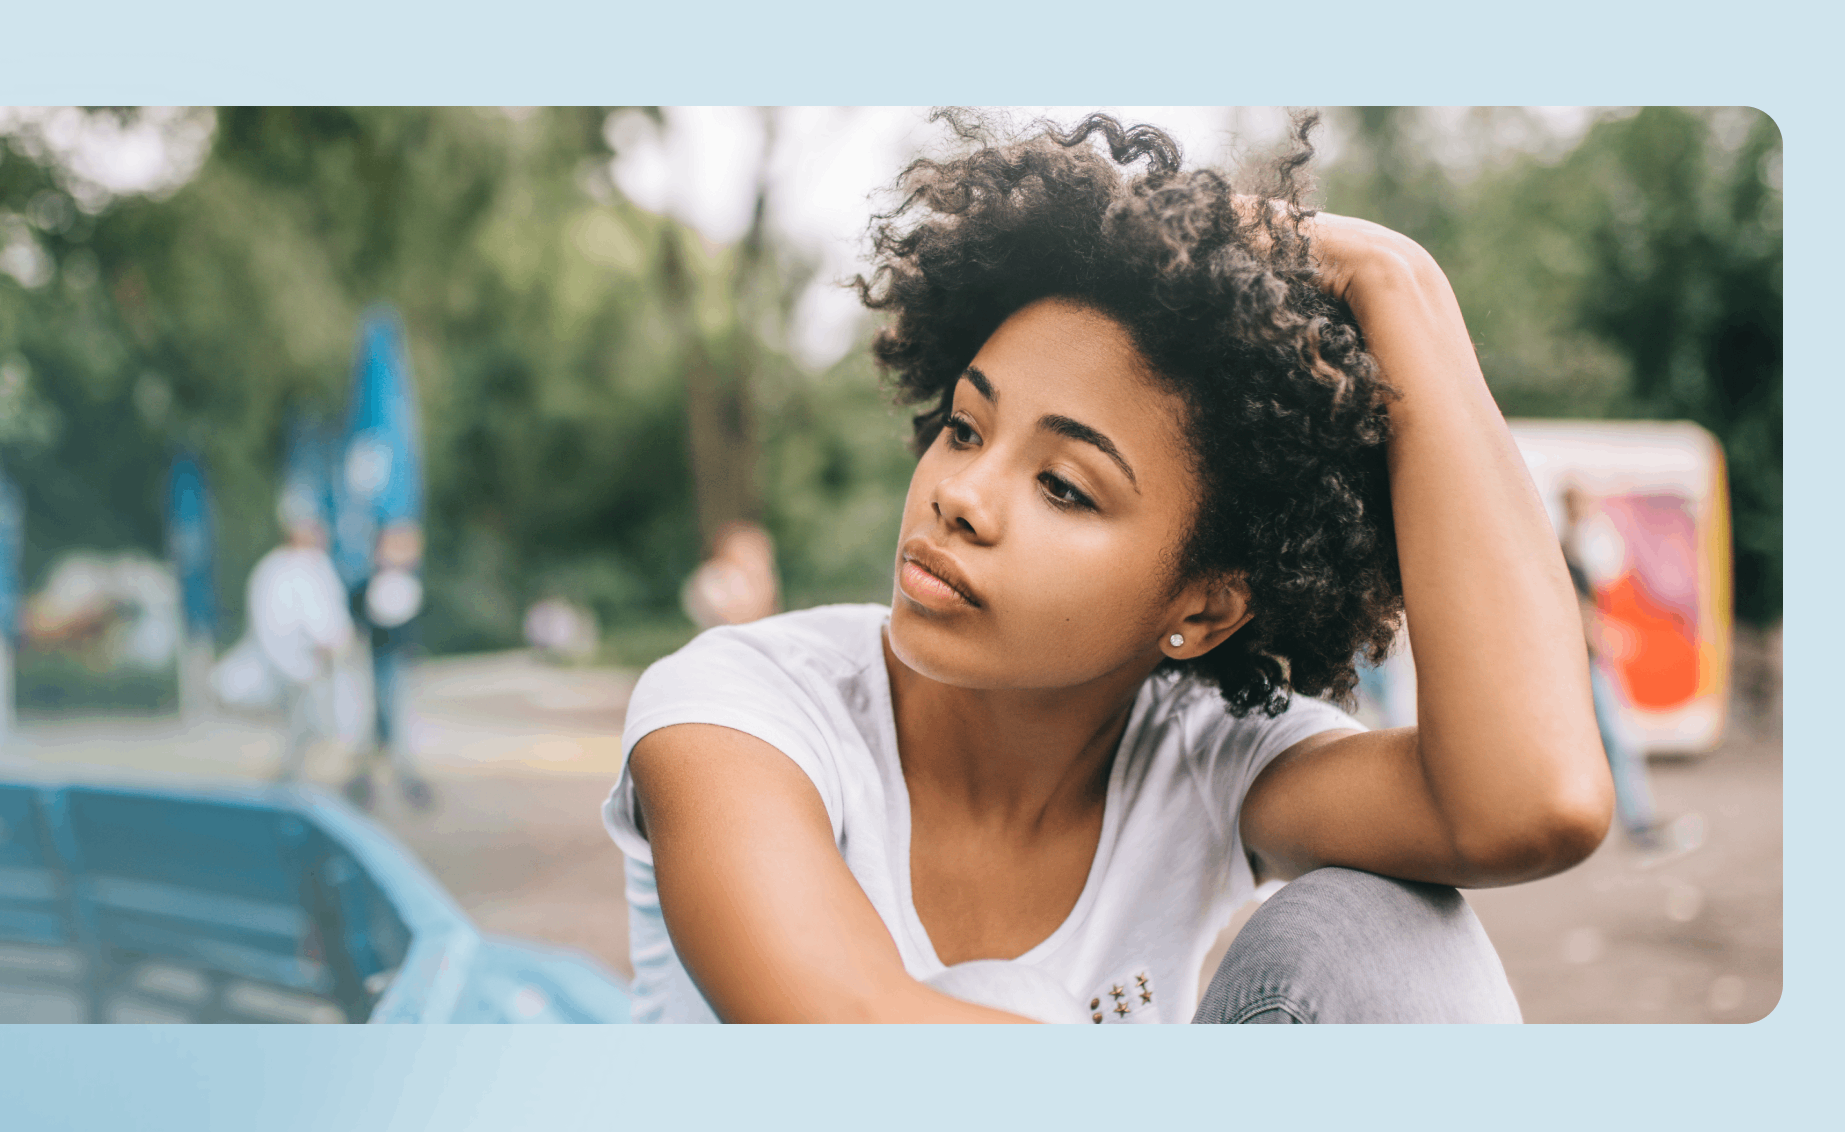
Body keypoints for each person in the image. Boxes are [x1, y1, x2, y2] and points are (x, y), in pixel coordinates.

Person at [600, 112, 1615, 1024]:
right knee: (994, 995)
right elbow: (854, 1026)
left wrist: (1401, 284)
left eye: (1064, 487)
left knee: (1388, 928)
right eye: (964, 427)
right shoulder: (737, 706)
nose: (959, 494)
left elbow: (1531, 803)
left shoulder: (1206, 759)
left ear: (1203, 609)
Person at [1560, 483, 1707, 867]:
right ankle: (1638, 823)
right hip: (1582, 665)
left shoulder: (1575, 551)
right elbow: (1576, 610)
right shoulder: (1565, 552)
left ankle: (1632, 822)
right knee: (1617, 740)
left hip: (1583, 663)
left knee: (1606, 742)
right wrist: (1607, 637)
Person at [247, 488, 355, 785]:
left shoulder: (311, 565)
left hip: (314, 669)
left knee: (318, 738)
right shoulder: (280, 570)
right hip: (299, 671)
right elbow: (283, 626)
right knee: (307, 739)